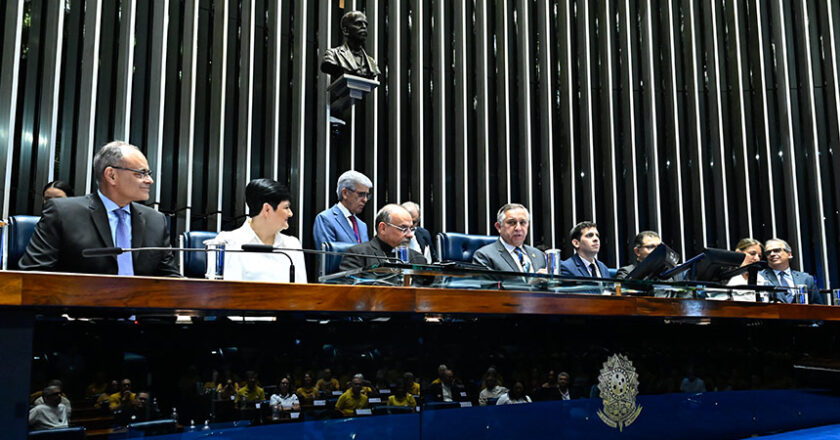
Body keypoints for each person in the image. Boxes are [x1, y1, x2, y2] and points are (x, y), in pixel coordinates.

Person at [20, 141, 179, 276]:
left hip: (144, 304)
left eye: (148, 173)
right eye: (141, 173)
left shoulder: (156, 221)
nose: (149, 180)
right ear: (111, 175)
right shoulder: (63, 213)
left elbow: (171, 280)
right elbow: (33, 274)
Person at [210, 178, 306, 282]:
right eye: (286, 208)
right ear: (267, 209)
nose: (290, 214)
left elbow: (302, 289)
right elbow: (223, 288)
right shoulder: (227, 243)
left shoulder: (293, 245)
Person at [338, 204, 426, 270]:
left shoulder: (418, 259)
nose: (410, 235)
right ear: (383, 228)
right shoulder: (358, 255)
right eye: (403, 228)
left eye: (411, 229)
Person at [472, 203, 547, 273]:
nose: (518, 228)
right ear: (499, 227)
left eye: (523, 223)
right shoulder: (484, 256)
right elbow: (486, 283)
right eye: (512, 222)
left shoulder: (539, 255)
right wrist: (533, 281)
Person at [313, 170, 373, 248]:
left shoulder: (362, 226)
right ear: (345, 193)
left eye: (367, 195)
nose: (365, 200)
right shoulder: (325, 219)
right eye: (361, 194)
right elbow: (328, 253)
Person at [760, 238, 823, 304]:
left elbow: (817, 305)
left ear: (789, 254)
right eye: (768, 252)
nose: (772, 254)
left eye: (776, 250)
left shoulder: (806, 278)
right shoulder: (761, 277)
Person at [320, 11, 380, 79]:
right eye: (358, 23)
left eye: (365, 24)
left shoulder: (372, 63)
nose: (364, 27)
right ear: (346, 30)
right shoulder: (333, 55)